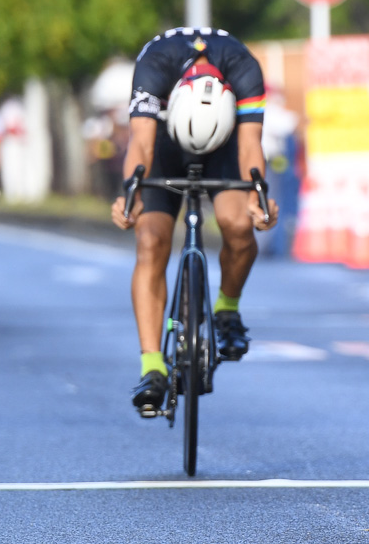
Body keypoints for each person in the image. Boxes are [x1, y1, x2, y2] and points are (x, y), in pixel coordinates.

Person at [111, 27, 279, 415]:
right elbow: (140, 143)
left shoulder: (243, 66)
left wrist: (259, 196)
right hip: (164, 147)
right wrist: (129, 193)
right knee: (151, 240)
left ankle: (227, 307)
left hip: (226, 145)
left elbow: (251, 144)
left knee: (238, 225)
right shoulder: (155, 65)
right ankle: (152, 366)